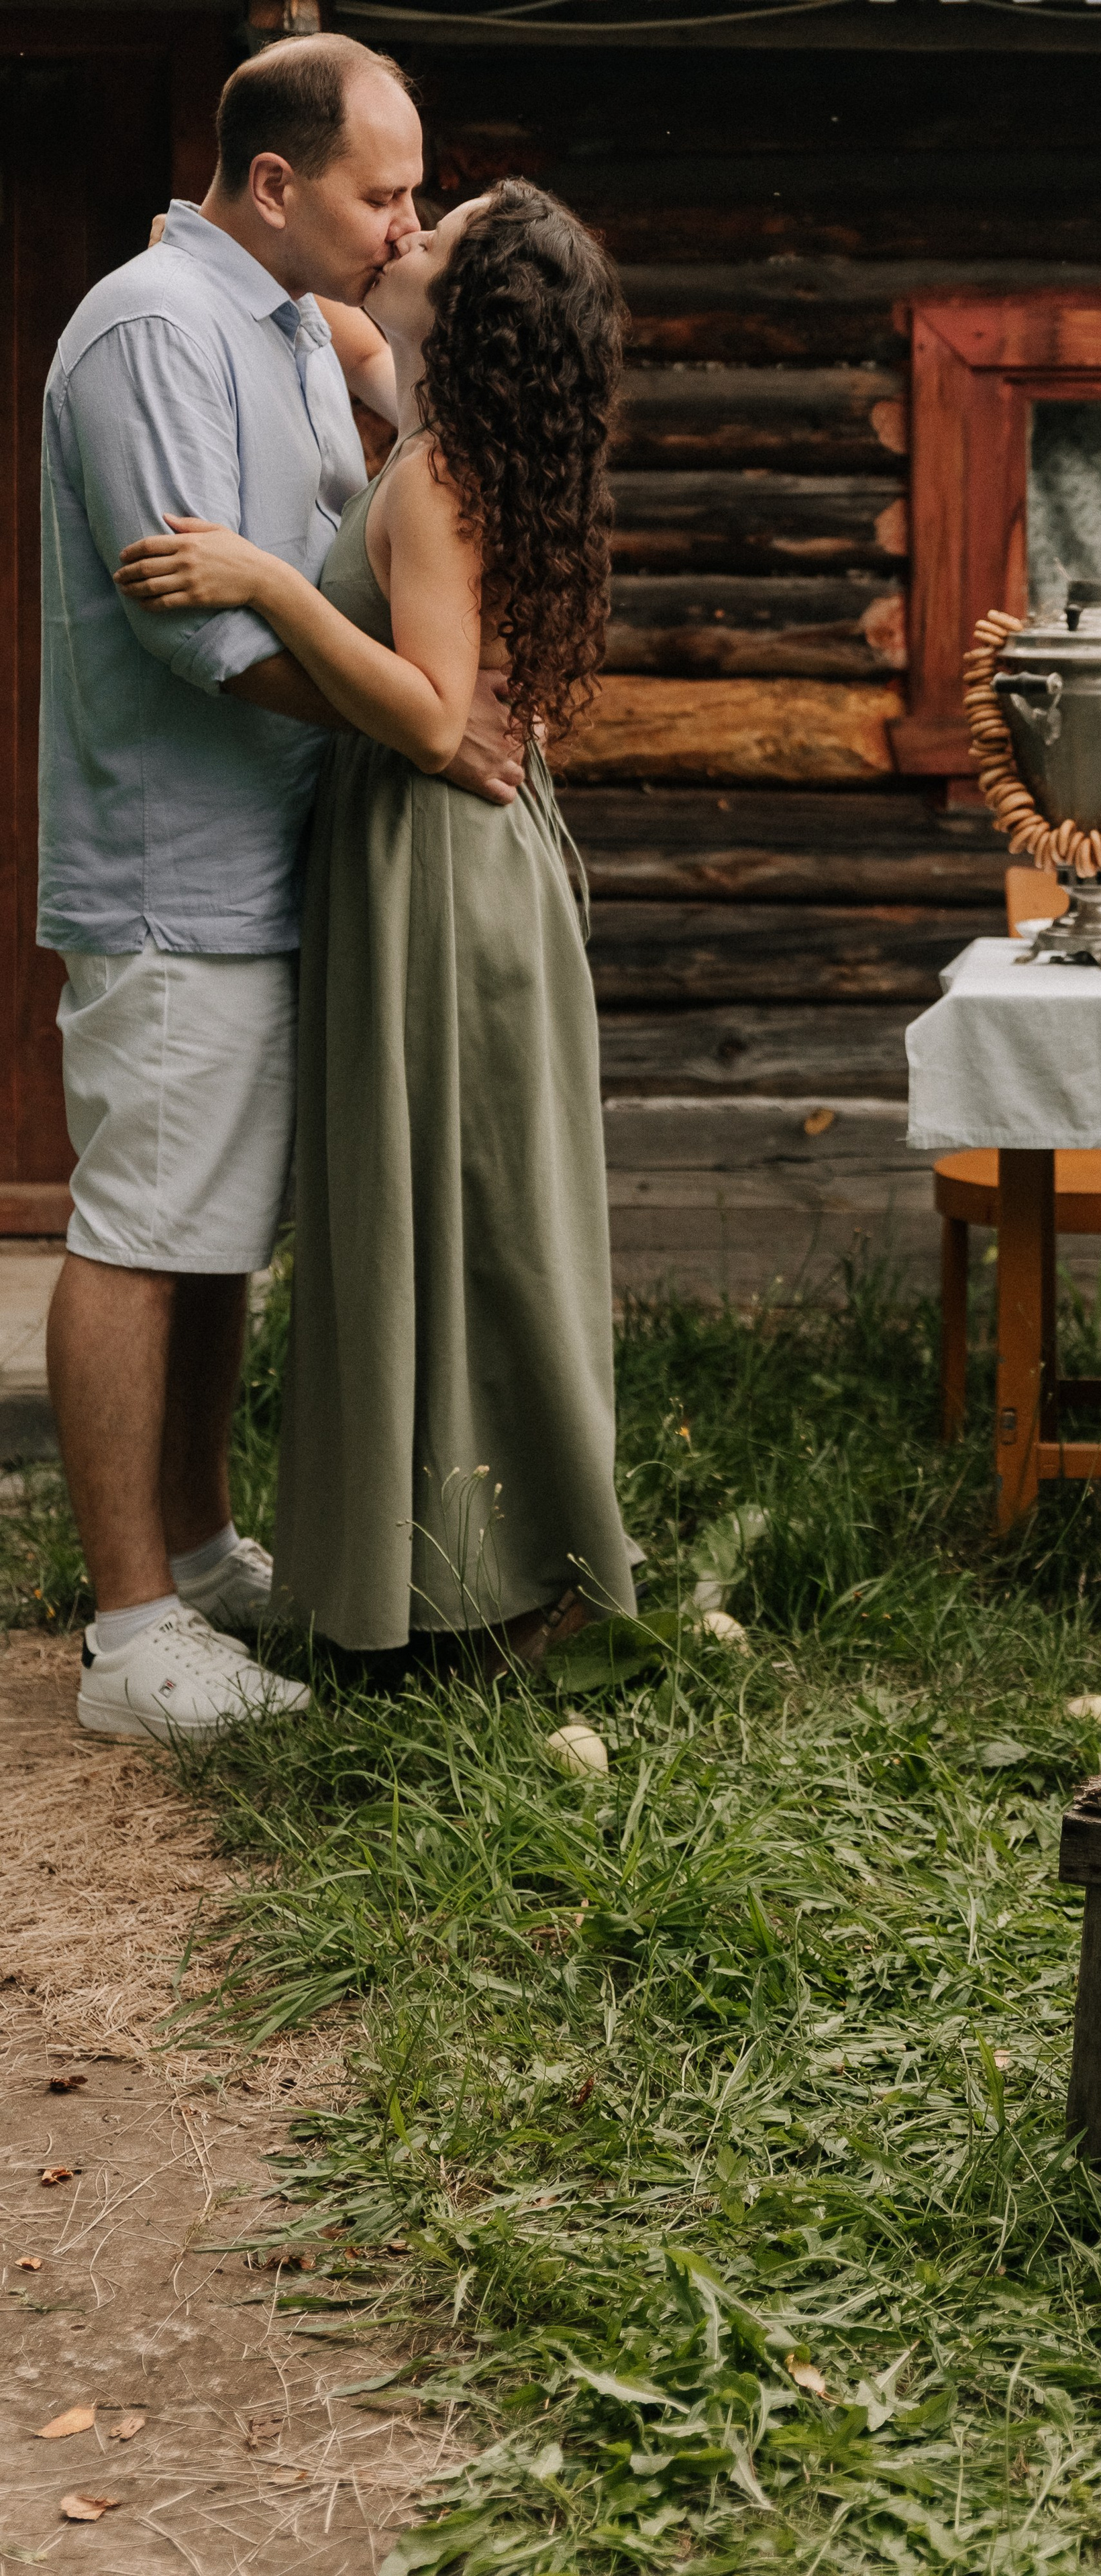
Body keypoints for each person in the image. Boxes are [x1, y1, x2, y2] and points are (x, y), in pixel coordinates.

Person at [40, 32, 523, 1742]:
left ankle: (193, 1547)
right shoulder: (155, 330)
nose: (404, 223)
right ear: (274, 184)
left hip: (278, 865)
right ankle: (125, 1637)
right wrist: (421, 729)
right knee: (144, 1230)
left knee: (218, 1241)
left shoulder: (286, 328)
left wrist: (438, 709)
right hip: (175, 871)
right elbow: (200, 633)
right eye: (382, 191)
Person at [116, 180, 638, 1662]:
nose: (404, 233)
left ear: (467, 317)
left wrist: (268, 577)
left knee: (455, 1211)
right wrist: (207, 248)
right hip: (450, 865)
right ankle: (479, 1573)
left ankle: (478, 1586)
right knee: (467, 1209)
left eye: (439, 232)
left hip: (435, 871)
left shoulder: (432, 475)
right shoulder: (445, 430)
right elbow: (348, 328)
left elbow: (422, 714)